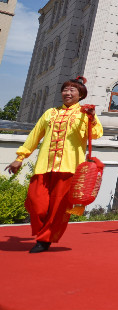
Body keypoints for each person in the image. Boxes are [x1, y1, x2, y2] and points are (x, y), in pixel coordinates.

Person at [5, 77, 103, 253]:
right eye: (65, 89)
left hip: (69, 169)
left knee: (58, 209)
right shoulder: (50, 113)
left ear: (80, 95)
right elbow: (34, 136)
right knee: (36, 203)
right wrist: (20, 157)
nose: (67, 93)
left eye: (72, 90)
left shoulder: (85, 114)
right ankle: (43, 233)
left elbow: (96, 134)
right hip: (44, 166)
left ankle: (44, 240)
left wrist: (92, 118)